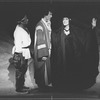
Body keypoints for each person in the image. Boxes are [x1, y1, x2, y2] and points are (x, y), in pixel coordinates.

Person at [51, 16, 99, 92]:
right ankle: (64, 85)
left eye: (66, 19)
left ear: (69, 20)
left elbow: (86, 35)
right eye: (63, 19)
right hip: (63, 58)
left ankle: (73, 86)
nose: (64, 21)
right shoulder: (58, 33)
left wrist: (92, 27)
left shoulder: (76, 31)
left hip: (73, 58)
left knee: (72, 72)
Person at [12, 15, 31, 93]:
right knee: (20, 71)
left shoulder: (23, 28)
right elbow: (18, 45)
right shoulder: (18, 31)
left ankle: (22, 85)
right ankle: (19, 88)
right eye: (26, 19)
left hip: (24, 51)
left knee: (23, 70)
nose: (28, 20)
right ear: (21, 20)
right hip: (20, 53)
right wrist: (21, 58)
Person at [34, 11, 52, 89]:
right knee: (42, 68)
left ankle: (45, 84)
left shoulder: (45, 24)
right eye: (50, 14)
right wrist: (42, 54)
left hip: (46, 50)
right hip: (42, 51)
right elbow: (40, 40)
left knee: (45, 69)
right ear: (45, 15)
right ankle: (42, 87)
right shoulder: (40, 25)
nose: (51, 16)